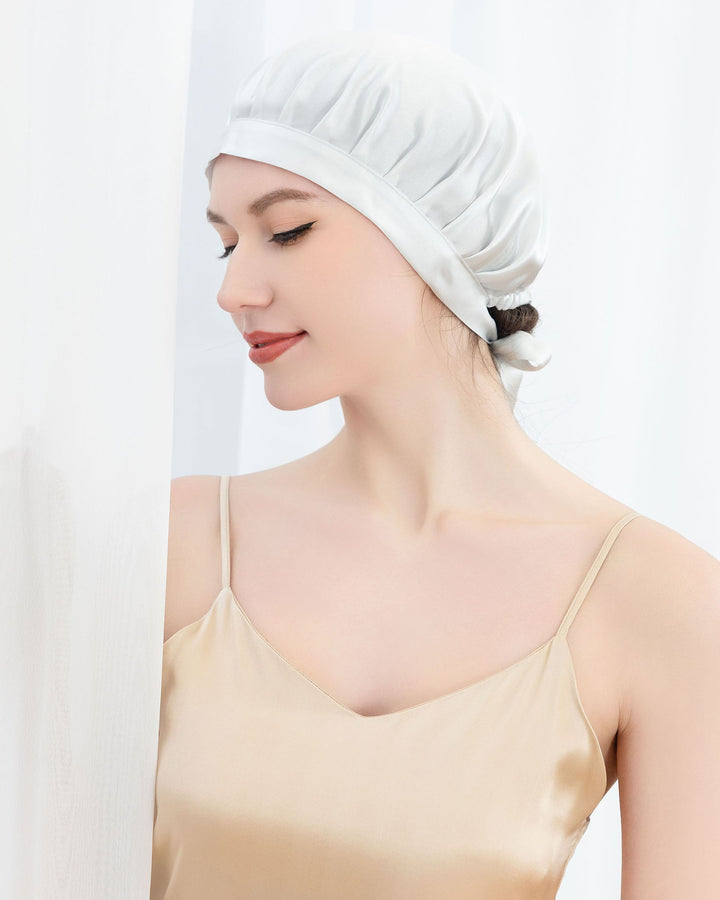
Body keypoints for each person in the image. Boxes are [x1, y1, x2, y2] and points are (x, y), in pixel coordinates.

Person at [151, 31, 720, 899]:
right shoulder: (177, 541)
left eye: (287, 230)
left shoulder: (657, 600)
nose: (234, 290)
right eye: (230, 243)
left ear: (437, 239)